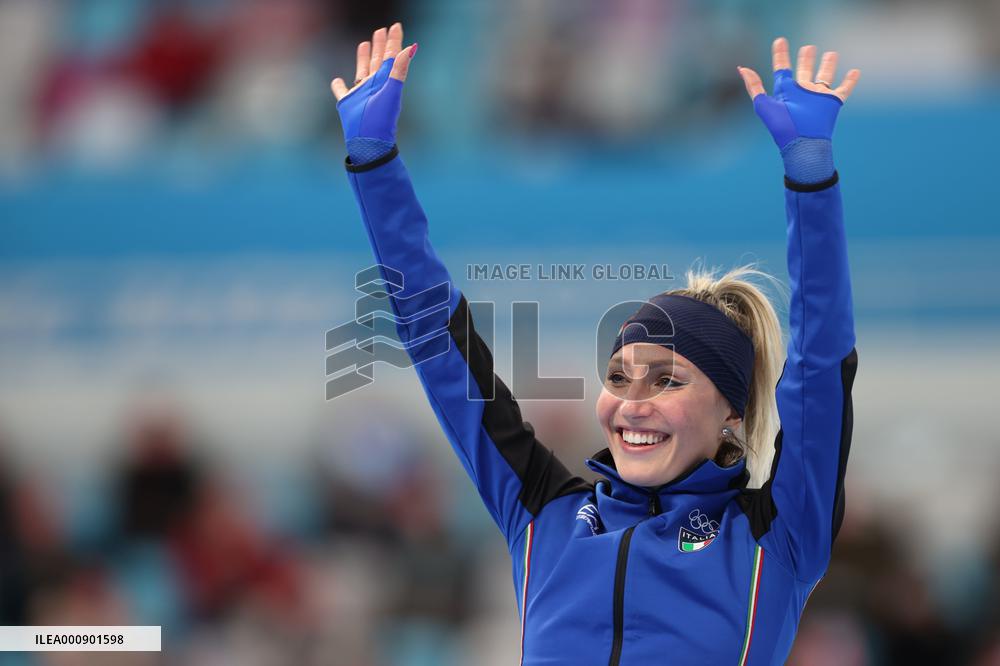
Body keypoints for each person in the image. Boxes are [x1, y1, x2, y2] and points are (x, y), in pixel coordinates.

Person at [332, 23, 860, 665]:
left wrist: (810, 181)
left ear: (732, 411)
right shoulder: (543, 515)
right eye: (619, 377)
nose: (631, 403)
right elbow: (434, 337)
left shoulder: (774, 537)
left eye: (667, 380)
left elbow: (821, 364)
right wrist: (375, 163)